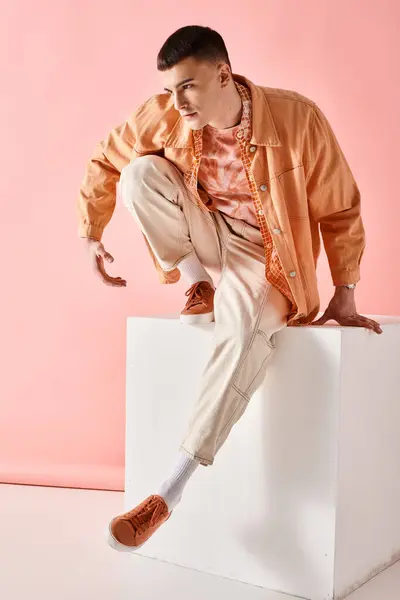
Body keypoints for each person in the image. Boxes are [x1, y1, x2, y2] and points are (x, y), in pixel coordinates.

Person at [77, 25, 382, 552]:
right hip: (207, 234)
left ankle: (168, 494)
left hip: (268, 255)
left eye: (188, 87)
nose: (177, 101)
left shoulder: (297, 117)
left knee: (241, 337)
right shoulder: (168, 113)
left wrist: (345, 290)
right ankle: (198, 287)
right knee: (139, 176)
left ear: (223, 74)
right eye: (171, 89)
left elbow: (339, 205)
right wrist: (91, 234)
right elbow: (108, 160)